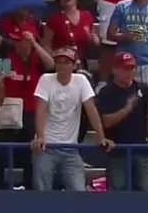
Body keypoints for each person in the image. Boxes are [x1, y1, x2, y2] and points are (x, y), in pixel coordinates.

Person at [31, 47, 114, 191]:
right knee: (41, 189)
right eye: (59, 62)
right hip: (47, 147)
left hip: (71, 148)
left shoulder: (81, 80)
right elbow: (41, 109)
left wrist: (101, 137)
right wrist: (40, 136)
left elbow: (91, 109)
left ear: (74, 65)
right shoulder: (45, 79)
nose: (62, 66)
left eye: (66, 62)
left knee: (78, 191)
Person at [0, 27, 53, 190]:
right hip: (8, 110)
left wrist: (35, 44)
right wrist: (1, 82)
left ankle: (29, 188)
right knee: (0, 153)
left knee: (30, 154)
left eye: (21, 40)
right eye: (15, 40)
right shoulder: (5, 58)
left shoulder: (37, 60)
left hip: (31, 111)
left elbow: (52, 65)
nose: (18, 44)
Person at [96, 52, 148, 191]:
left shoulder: (143, 88)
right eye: (125, 68)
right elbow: (106, 122)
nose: (129, 72)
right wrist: (128, 108)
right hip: (117, 151)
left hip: (142, 150)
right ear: (114, 70)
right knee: (118, 194)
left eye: (132, 68)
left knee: (146, 192)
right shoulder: (106, 92)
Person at [42, 0, 99, 68]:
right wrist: (55, 61)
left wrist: (93, 39)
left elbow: (95, 39)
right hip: (61, 64)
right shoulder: (54, 19)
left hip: (80, 64)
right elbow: (45, 44)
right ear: (59, 1)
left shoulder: (87, 15)